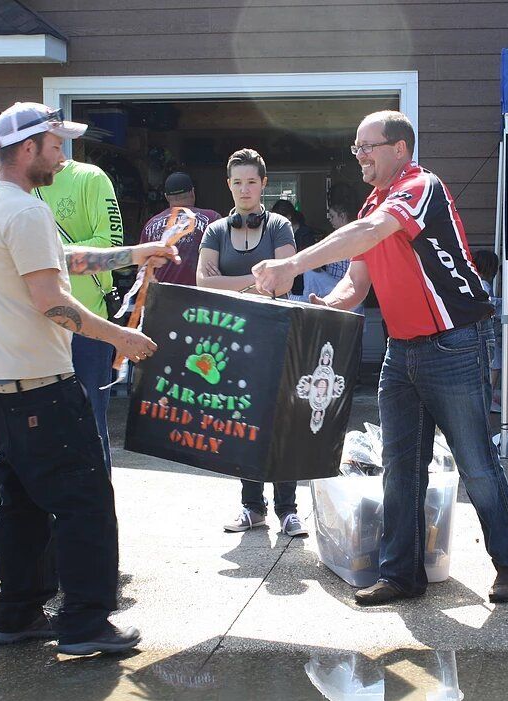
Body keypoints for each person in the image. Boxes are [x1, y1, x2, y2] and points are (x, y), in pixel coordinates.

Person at [253, 111, 508, 605]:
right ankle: (401, 575)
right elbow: (355, 283)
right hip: (401, 349)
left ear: (400, 149)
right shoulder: (372, 201)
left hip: (455, 341)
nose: (358, 155)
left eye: (368, 146)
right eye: (356, 147)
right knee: (400, 466)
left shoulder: (419, 186)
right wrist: (323, 306)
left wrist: (293, 263)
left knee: (476, 462)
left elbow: (372, 233)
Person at [0, 101, 179, 655]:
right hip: (44, 387)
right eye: (56, 145)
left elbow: (66, 259)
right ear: (27, 148)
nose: (64, 156)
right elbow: (52, 300)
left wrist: (138, 252)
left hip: (2, 389)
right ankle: (85, 624)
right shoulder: (25, 212)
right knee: (85, 503)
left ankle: (14, 615)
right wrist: (120, 338)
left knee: (22, 507)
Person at [197, 148, 308, 539]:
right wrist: (256, 282)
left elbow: (286, 282)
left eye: (251, 181)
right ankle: (251, 506)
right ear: (229, 185)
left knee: (282, 422)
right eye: (237, 182)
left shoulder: (279, 225)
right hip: (233, 338)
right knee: (241, 421)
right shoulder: (215, 230)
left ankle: (288, 509)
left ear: (263, 183)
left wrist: (235, 283)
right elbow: (202, 282)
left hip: (277, 336)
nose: (244, 189)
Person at [31, 156, 125, 473]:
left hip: (90, 326)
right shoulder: (20, 190)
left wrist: (49, 253)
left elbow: (112, 244)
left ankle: (97, 514)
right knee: (43, 427)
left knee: (90, 422)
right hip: (39, 328)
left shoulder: (91, 178)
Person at [141, 171, 221, 285]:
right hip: (200, 297)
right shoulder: (212, 218)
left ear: (166, 197)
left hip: (161, 298)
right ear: (193, 192)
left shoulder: (150, 225)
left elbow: (142, 270)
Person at [299, 187, 364, 315]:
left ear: (343, 216)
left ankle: (305, 303)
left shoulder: (346, 237)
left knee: (308, 271)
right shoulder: (345, 234)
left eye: (332, 216)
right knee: (311, 271)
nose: (329, 219)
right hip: (335, 285)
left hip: (343, 287)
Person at [472, 250, 504, 412]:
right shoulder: (483, 284)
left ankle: (486, 396)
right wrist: (505, 301)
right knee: (496, 364)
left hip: (473, 330)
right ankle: (487, 397)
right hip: (484, 331)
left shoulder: (471, 280)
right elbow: (488, 303)